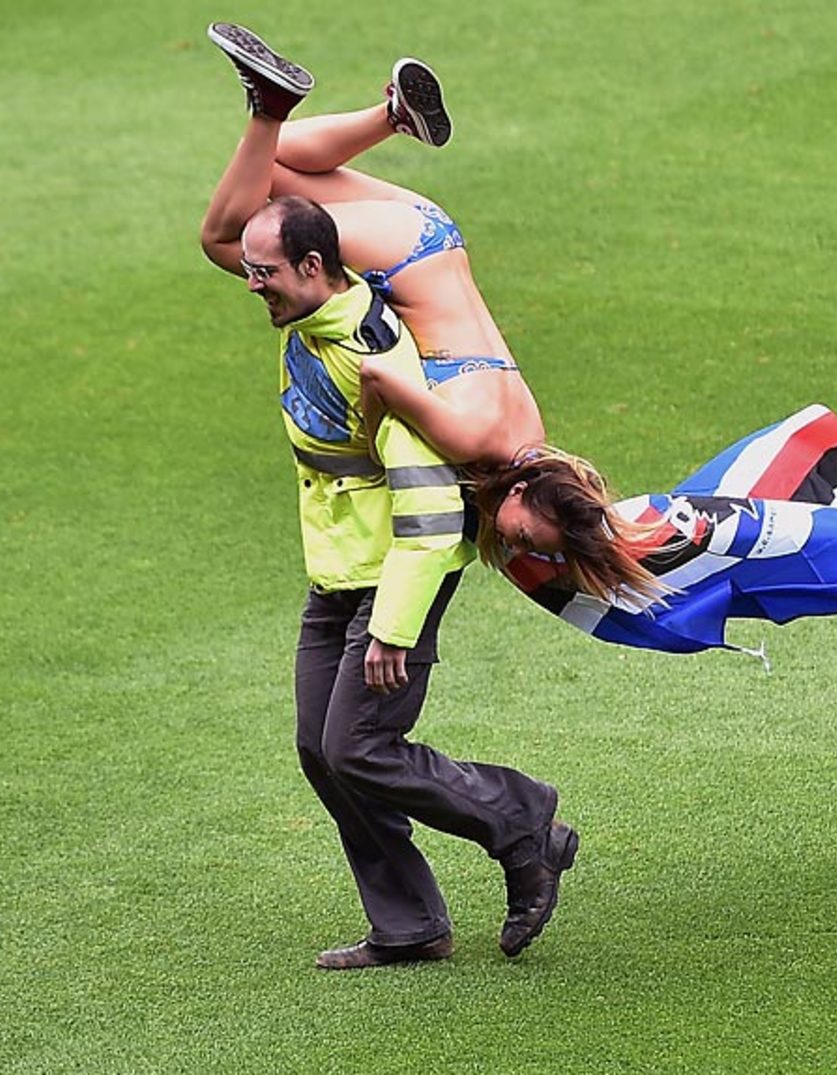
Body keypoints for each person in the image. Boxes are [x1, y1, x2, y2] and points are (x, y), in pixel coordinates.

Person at [201, 22, 578, 968]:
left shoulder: (425, 393)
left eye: (272, 277)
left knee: (246, 201)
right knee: (322, 748)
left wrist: (395, 626)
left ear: (319, 274)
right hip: (411, 266)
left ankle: (518, 817)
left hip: (417, 256)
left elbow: (433, 509)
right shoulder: (479, 416)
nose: (255, 287)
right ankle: (410, 921)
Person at [200, 27, 669, 609]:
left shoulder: (532, 435)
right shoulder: (472, 438)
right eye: (523, 532)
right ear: (523, 491)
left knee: (270, 158)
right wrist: (370, 444)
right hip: (399, 262)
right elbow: (379, 380)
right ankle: (269, 101)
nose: (511, 538)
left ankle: (392, 115)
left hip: (430, 234)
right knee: (227, 240)